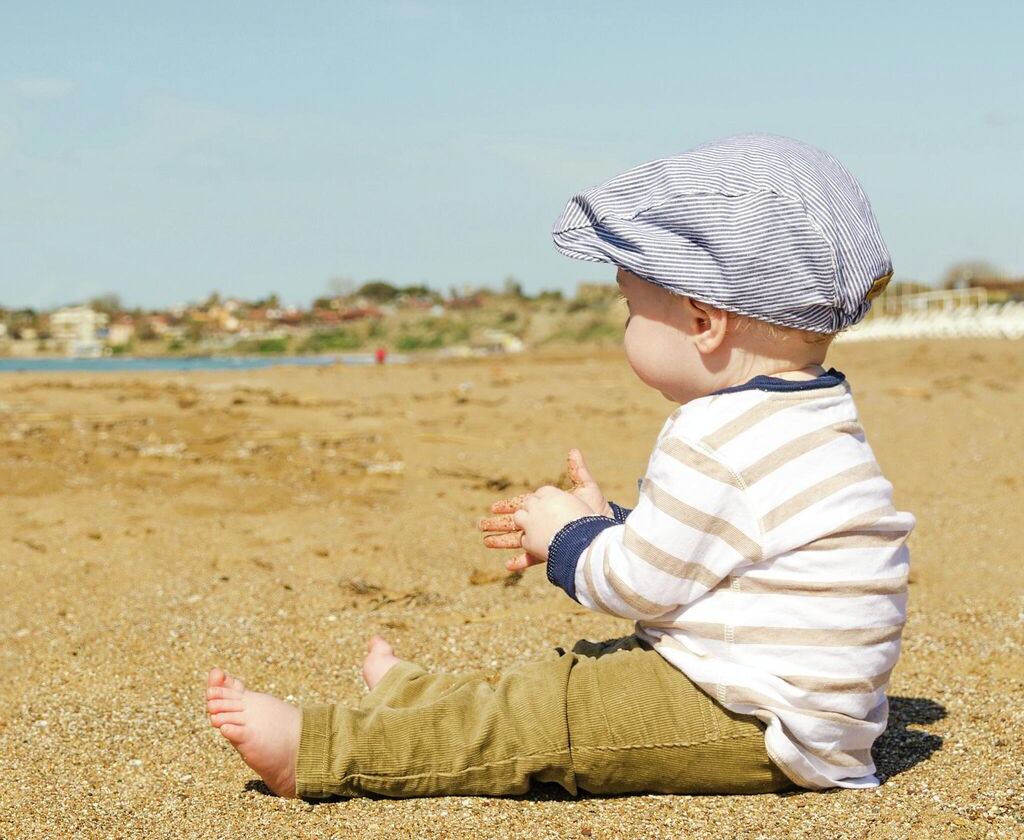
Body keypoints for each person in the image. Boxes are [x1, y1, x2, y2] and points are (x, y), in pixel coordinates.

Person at [205, 133, 914, 799]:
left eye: (632, 309)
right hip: (808, 712)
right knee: (572, 675)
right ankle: (416, 698)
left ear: (703, 322)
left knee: (551, 713)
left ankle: (324, 751)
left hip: (755, 721)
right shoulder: (816, 414)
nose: (626, 326)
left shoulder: (712, 433)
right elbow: (721, 552)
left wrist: (568, 542)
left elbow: (640, 587)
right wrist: (611, 523)